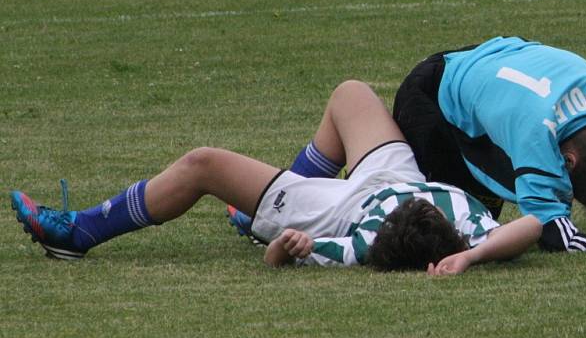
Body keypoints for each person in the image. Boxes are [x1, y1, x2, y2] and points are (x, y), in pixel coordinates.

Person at [12, 80, 545, 274]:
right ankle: (255, 212)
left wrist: (282, 243)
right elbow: (533, 228)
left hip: (341, 206)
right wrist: (470, 257)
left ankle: (78, 232)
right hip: (396, 175)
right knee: (351, 94)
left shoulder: (364, 243)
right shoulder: (472, 235)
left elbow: (287, 257)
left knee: (203, 164)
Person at [391, 36, 586, 254]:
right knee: (452, 228)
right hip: (429, 95)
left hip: (495, 57)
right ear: (569, 161)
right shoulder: (535, 138)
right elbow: (554, 238)